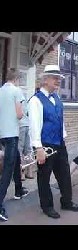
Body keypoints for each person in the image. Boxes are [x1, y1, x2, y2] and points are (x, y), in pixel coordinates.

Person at [28, 65, 78, 219]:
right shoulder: (35, 101)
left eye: (59, 78)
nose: (58, 81)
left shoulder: (57, 98)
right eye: (55, 78)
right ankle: (47, 206)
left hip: (59, 142)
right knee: (44, 177)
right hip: (45, 144)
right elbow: (34, 126)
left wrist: (63, 136)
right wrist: (38, 148)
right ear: (45, 80)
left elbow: (60, 120)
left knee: (64, 174)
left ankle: (67, 201)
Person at [0, 68, 30, 222]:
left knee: (16, 158)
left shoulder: (0, 91)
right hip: (11, 133)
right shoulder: (17, 91)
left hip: (1, 134)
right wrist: (23, 114)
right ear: (17, 79)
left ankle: (18, 189)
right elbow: (19, 114)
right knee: (7, 169)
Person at [17, 88, 34, 180]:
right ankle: (30, 172)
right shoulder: (25, 98)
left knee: (20, 150)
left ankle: (22, 173)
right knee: (28, 150)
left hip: (20, 126)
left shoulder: (16, 98)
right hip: (28, 124)